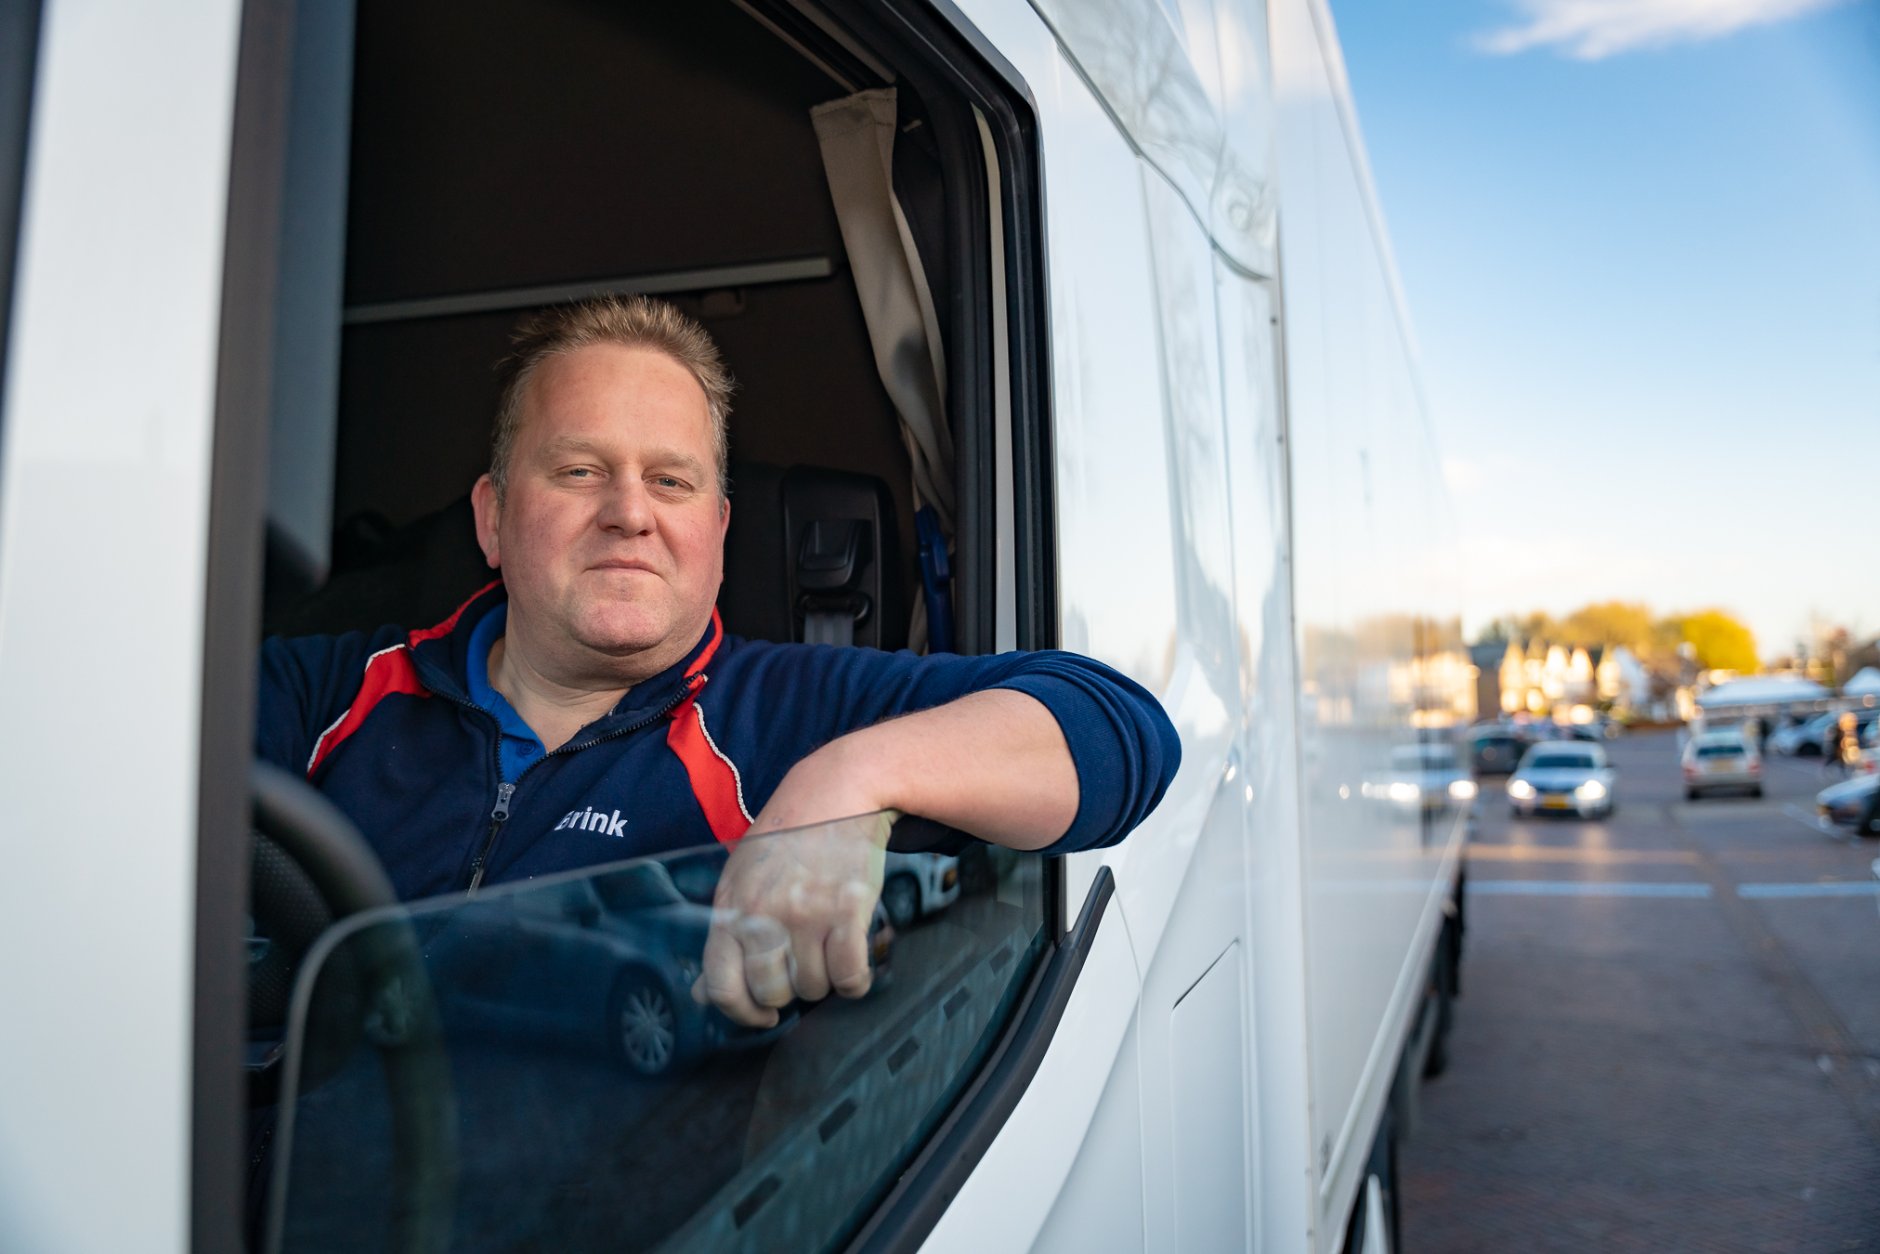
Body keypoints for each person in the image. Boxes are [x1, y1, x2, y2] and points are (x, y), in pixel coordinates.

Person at [257, 295, 1179, 1027]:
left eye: (672, 480)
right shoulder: (326, 689)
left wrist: (850, 781)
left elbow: (1121, 731)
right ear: (493, 518)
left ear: (719, 532)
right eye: (580, 470)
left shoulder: (789, 713)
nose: (629, 511)